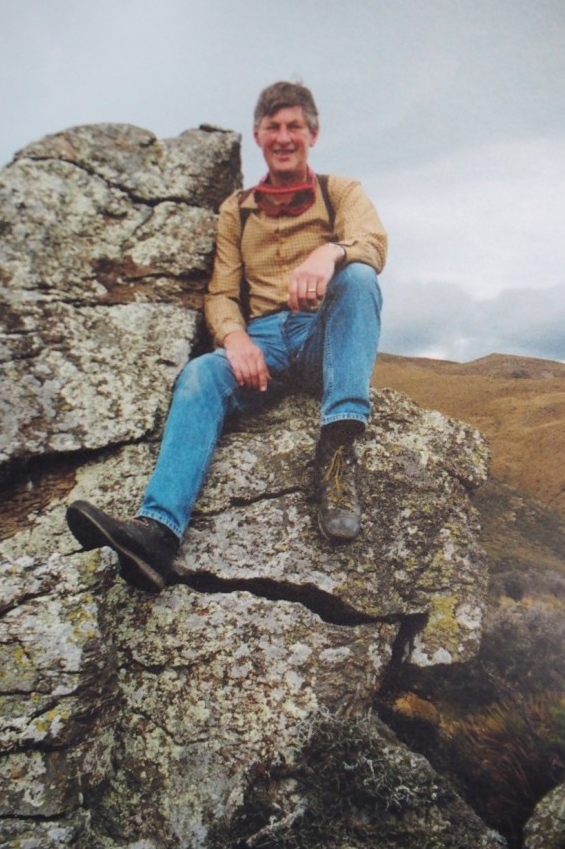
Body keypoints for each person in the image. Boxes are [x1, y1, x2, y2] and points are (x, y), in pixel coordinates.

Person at [67, 81, 387, 593]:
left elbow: (371, 243)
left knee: (360, 277)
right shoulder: (236, 209)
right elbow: (219, 292)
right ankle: (157, 534)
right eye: (273, 127)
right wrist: (235, 339)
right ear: (259, 135)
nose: (284, 137)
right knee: (199, 374)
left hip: (321, 334)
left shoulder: (341, 191)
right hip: (262, 343)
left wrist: (329, 254)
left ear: (314, 134)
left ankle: (336, 457)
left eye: (295, 127)